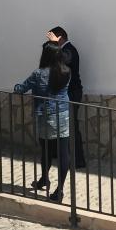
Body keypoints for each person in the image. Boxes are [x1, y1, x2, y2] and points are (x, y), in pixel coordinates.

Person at [14, 41, 71, 203]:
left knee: (46, 150)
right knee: (63, 153)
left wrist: (16, 89)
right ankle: (59, 189)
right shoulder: (67, 72)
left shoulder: (38, 74)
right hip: (64, 114)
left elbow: (21, 87)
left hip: (47, 116)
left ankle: (44, 179)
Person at [47, 26, 86, 169]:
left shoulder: (69, 50)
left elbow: (61, 63)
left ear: (60, 38)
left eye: (53, 41)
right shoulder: (64, 50)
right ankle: (59, 154)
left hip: (72, 93)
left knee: (71, 126)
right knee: (62, 125)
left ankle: (78, 160)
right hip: (65, 93)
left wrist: (53, 46)